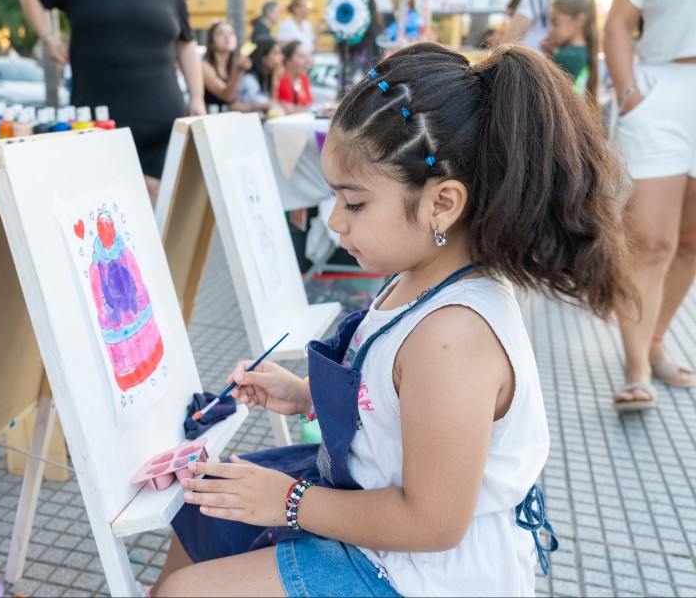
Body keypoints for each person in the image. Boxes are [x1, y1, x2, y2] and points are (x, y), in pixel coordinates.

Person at [151, 42, 636, 597]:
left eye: (354, 203)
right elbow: (391, 404)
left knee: (184, 590)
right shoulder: (418, 275)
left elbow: (431, 523)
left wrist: (287, 501)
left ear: (442, 205)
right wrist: (305, 394)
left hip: (425, 573)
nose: (335, 222)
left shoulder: (453, 338)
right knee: (204, 506)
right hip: (380, 516)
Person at [19, 0, 206, 203]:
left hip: (162, 123)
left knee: (159, 201)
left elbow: (186, 43)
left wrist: (197, 97)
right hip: (96, 124)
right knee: (104, 201)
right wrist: (48, 38)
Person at [605, 0, 696, 409]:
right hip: (661, 92)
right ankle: (637, 366)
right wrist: (629, 95)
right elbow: (618, 22)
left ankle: (655, 340)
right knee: (649, 243)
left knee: (691, 243)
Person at [544, 0, 598, 100]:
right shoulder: (588, 52)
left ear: (579, 20)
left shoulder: (564, 57)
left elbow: (546, 94)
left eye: (556, 22)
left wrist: (548, 59)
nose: (551, 29)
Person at [202, 21, 251, 114]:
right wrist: (238, 71)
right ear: (211, 41)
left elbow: (235, 103)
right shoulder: (205, 66)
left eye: (231, 33)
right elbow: (227, 96)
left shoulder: (235, 64)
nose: (227, 37)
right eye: (221, 33)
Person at [235, 39, 284, 114]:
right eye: (276, 53)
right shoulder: (249, 79)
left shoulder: (265, 79)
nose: (282, 57)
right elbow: (271, 108)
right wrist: (275, 81)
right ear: (263, 57)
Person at [278, 40, 312, 113]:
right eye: (301, 56)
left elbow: (310, 104)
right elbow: (289, 111)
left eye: (307, 56)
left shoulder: (304, 79)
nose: (307, 61)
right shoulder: (283, 81)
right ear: (288, 61)